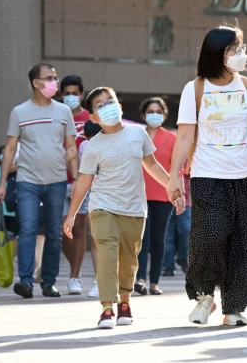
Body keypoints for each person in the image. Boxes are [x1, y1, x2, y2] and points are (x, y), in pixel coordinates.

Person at [166, 24, 247, 327]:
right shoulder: (196, 89)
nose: (240, 54)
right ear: (217, 52)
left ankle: (234, 307)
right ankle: (205, 296)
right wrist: (174, 176)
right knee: (209, 237)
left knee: (245, 243)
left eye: (241, 48)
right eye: (234, 49)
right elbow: (184, 136)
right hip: (207, 175)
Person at [63, 86, 184, 329]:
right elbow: (84, 181)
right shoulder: (94, 146)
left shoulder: (138, 134)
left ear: (119, 106)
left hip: (134, 209)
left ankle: (124, 302)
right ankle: (107, 307)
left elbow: (152, 165)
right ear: (93, 117)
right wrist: (72, 214)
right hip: (103, 207)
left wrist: (172, 188)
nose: (106, 107)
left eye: (110, 102)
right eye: (99, 105)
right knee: (107, 254)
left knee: (129, 260)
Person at [0, 63, 79, 299]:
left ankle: (48, 282)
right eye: (49, 77)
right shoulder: (19, 112)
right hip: (27, 182)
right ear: (36, 83)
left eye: (55, 77)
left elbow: (71, 147)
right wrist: (2, 183)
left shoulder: (63, 112)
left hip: (57, 182)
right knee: (28, 229)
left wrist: (77, 182)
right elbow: (10, 149)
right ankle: (26, 282)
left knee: (54, 233)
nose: (54, 81)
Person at [135, 97, 176, 295]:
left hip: (163, 193)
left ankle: (155, 282)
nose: (154, 115)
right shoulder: (136, 135)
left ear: (164, 114)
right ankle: (140, 278)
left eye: (158, 111)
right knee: (142, 238)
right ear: (143, 115)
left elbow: (179, 166)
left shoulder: (172, 138)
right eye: (150, 111)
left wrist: (178, 190)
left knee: (159, 238)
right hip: (139, 193)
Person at [59, 74, 91, 295]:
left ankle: (75, 276)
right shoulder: (56, 117)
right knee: (61, 231)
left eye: (74, 93)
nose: (71, 97)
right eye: (66, 94)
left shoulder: (91, 118)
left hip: (83, 180)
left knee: (79, 229)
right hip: (57, 180)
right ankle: (73, 269)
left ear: (81, 95)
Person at [79, 119, 103, 298]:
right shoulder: (84, 147)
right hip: (92, 193)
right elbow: (84, 174)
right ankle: (99, 281)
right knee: (95, 238)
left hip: (116, 192)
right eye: (90, 137)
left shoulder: (116, 143)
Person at [162, 170, 191, 277]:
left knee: (185, 228)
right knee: (167, 236)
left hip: (185, 200)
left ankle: (182, 257)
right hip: (166, 200)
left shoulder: (187, 156)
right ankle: (168, 266)